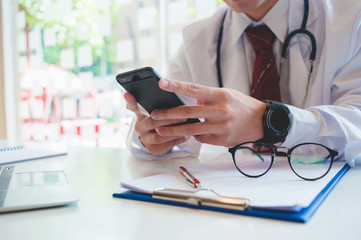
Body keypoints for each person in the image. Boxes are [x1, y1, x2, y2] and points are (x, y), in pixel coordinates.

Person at [124, 0, 361, 167]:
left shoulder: (351, 19)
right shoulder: (196, 39)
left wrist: (270, 122)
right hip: (230, 205)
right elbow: (174, 135)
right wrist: (152, 137)